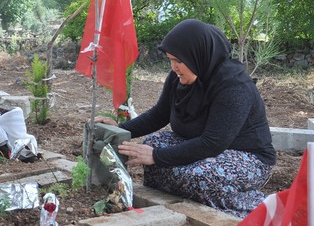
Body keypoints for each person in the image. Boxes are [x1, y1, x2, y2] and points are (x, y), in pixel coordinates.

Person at [95, 19, 276, 218]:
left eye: (179, 61)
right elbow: (160, 114)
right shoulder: (179, 77)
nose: (173, 67)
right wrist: (122, 128)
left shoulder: (234, 86)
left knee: (198, 176)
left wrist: (156, 156)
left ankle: (259, 205)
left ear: (198, 55)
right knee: (152, 144)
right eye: (170, 60)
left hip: (248, 156)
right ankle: (204, 197)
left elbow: (213, 143)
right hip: (202, 146)